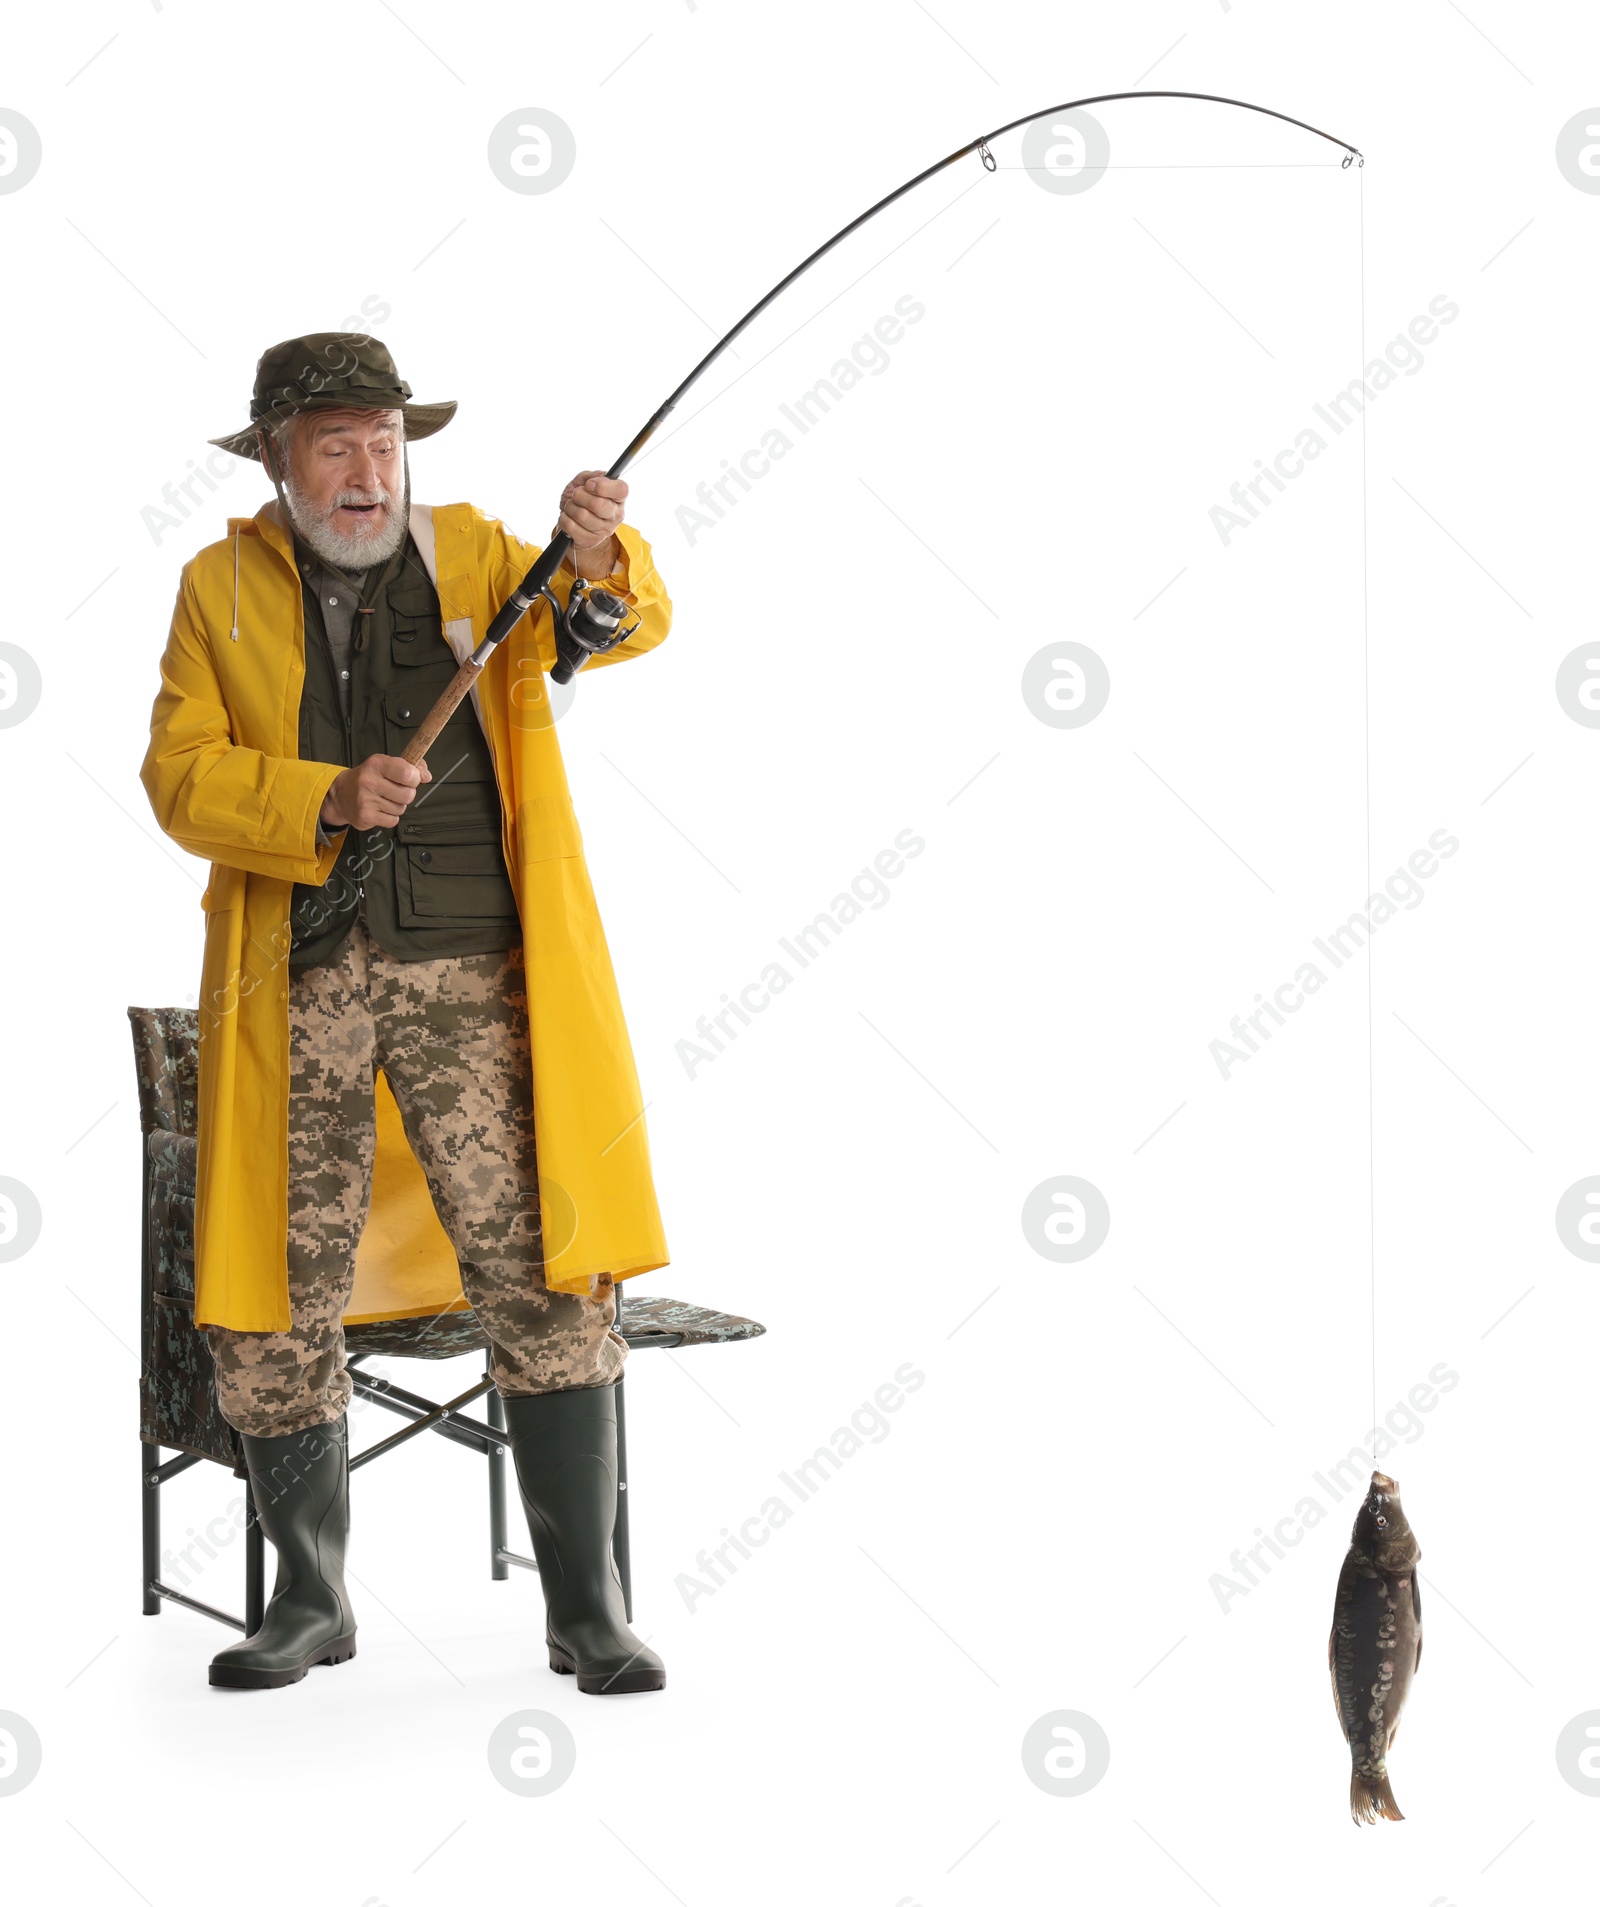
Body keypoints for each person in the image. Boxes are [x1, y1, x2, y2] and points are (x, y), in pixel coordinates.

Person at [142, 333, 671, 1694]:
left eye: (384, 443)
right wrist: (319, 795)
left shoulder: (483, 555)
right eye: (336, 446)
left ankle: (587, 1612)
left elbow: (595, 630)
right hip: (297, 987)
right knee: (272, 1297)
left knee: (545, 1271)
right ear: (277, 457)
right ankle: (309, 1602)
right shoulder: (220, 588)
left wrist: (599, 556)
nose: (368, 470)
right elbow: (181, 778)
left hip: (475, 978)